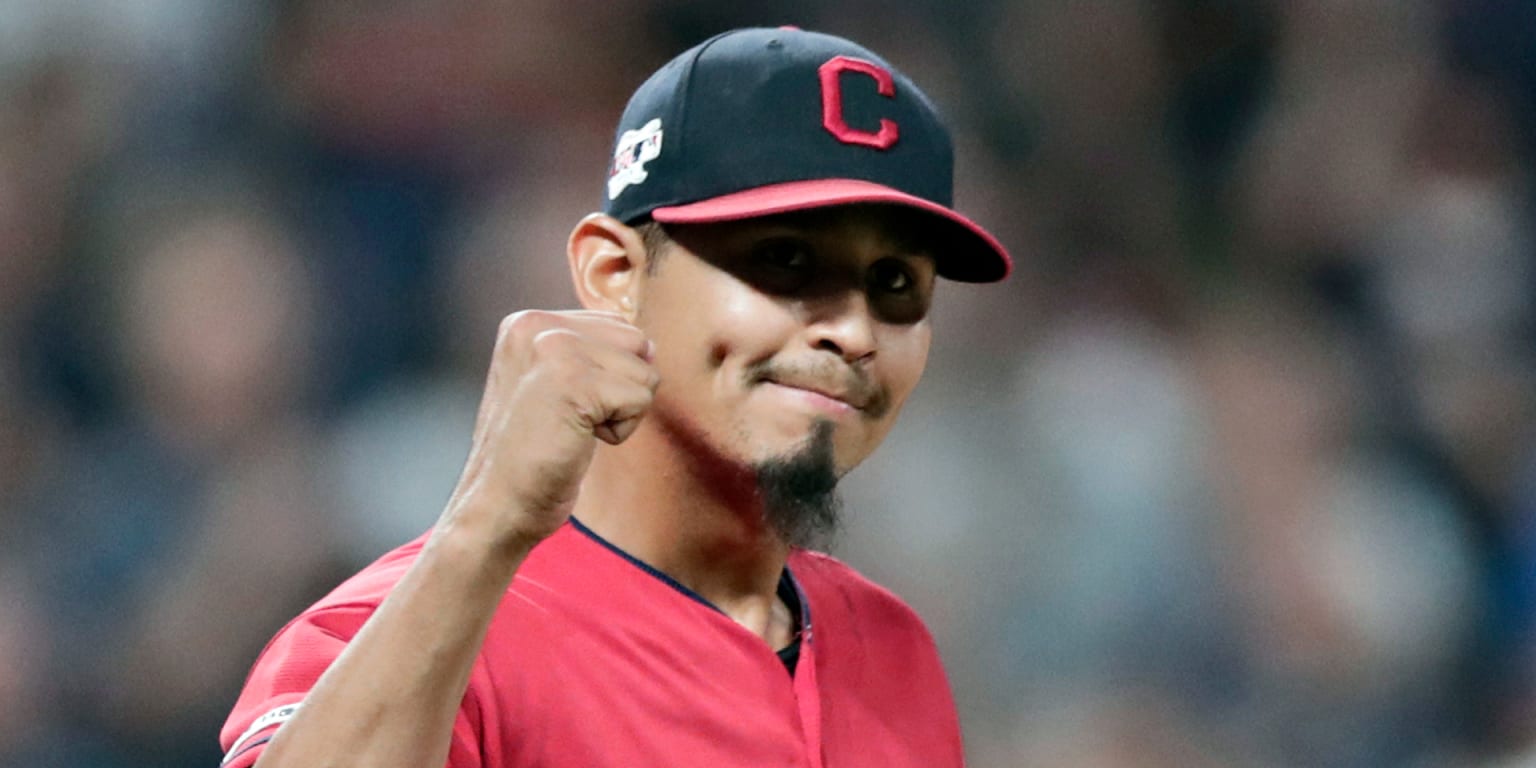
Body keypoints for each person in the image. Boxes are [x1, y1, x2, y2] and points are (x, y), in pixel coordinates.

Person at [219, 26, 1010, 767]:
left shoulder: (892, 647)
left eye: (896, 284)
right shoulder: (410, 635)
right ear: (614, 275)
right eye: (787, 260)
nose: (853, 331)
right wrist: (484, 528)